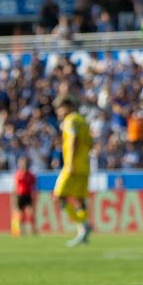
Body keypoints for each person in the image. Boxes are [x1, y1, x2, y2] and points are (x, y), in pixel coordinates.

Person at [52, 94, 93, 247]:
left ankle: (83, 225)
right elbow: (90, 142)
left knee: (58, 196)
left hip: (72, 166)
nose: (58, 113)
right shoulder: (82, 121)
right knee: (79, 199)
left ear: (66, 107)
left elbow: (74, 139)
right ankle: (82, 232)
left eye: (59, 109)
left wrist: (69, 163)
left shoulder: (70, 121)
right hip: (84, 166)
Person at [11, 157, 38, 237]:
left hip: (28, 195)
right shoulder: (18, 174)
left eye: (25, 163)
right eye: (22, 163)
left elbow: (34, 186)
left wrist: (34, 195)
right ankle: (18, 231)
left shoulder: (30, 175)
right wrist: (14, 198)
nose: (23, 165)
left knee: (31, 213)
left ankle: (33, 230)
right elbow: (15, 187)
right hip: (20, 196)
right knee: (20, 215)